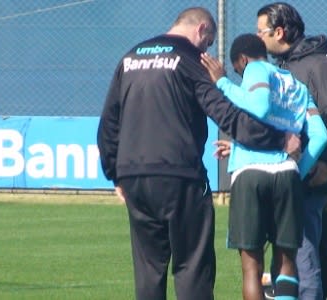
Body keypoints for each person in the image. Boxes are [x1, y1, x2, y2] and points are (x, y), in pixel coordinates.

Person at [97, 7, 301, 300]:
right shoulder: (191, 59)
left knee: (148, 271)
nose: (207, 50)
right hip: (180, 176)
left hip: (134, 176)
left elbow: (109, 122)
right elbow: (226, 115)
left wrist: (114, 172)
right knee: (193, 268)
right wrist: (278, 139)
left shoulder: (131, 56)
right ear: (202, 30)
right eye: (208, 43)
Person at [200, 34, 327, 300]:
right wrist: (298, 170)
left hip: (251, 174)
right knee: (286, 262)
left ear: (243, 60)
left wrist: (222, 82)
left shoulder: (255, 69)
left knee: (252, 267)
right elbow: (321, 136)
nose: (241, 76)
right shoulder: (297, 86)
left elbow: (258, 107)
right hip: (287, 176)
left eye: (238, 70)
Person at [256, 3, 327, 300]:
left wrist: (325, 166)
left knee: (309, 262)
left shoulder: (317, 65)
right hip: (289, 178)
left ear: (279, 31)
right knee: (302, 263)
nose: (256, 38)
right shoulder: (285, 65)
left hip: (315, 183)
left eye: (260, 31)